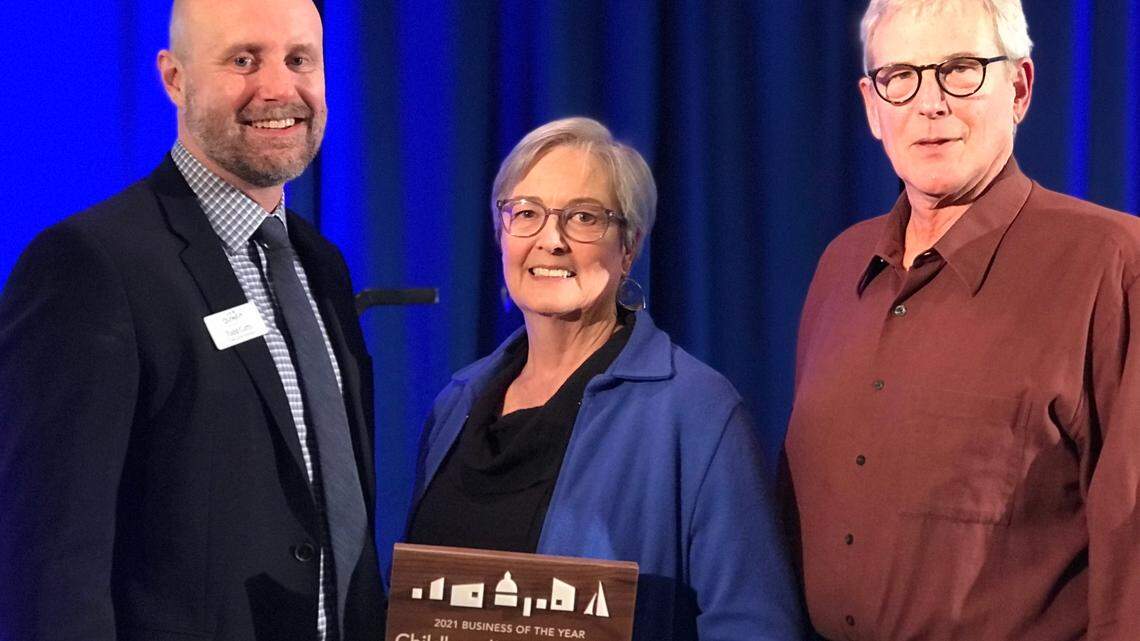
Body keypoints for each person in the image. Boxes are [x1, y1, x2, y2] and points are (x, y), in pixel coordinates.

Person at [0, 1, 385, 639]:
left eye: (299, 60)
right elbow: (49, 563)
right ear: (174, 78)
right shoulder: (90, 265)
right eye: (244, 60)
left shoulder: (323, 266)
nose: (279, 89)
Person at [784, 0, 1140, 638]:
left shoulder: (1113, 264)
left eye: (961, 70)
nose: (929, 103)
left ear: (1020, 88)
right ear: (872, 105)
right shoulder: (840, 267)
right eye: (901, 77)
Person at [405, 117, 803, 640]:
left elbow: (754, 624)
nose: (552, 240)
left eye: (584, 218)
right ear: (502, 235)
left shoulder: (695, 410)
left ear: (629, 246)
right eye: (525, 213)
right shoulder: (456, 403)